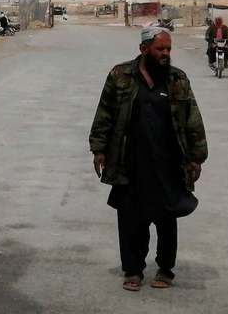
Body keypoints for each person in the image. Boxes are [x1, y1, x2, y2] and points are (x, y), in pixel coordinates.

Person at [89, 27, 208, 292]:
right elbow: (104, 112)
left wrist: (196, 158)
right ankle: (133, 270)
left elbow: (192, 119)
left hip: (167, 164)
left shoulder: (177, 79)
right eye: (160, 49)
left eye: (168, 49)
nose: (166, 54)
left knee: (167, 218)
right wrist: (99, 149)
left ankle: (165, 269)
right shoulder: (120, 76)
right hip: (129, 162)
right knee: (131, 218)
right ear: (144, 49)